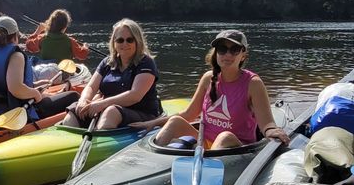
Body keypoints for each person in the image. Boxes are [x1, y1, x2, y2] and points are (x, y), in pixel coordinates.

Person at [130, 29, 289, 148]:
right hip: (204, 144)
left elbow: (267, 124)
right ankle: (154, 165)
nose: (227, 55)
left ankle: (207, 172)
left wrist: (272, 131)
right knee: (175, 121)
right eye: (222, 49)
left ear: (243, 55)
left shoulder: (253, 83)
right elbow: (188, 114)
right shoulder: (208, 78)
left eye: (234, 50)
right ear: (216, 53)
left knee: (224, 137)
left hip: (236, 148)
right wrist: (152, 123)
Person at [61, 18, 161, 129]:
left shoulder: (146, 62)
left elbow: (135, 96)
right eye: (120, 40)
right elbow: (91, 86)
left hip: (141, 113)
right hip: (106, 109)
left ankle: (99, 142)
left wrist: (102, 104)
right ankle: (67, 140)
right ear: (114, 43)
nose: (125, 43)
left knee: (111, 111)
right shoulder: (107, 62)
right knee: (76, 110)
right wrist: (83, 100)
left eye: (130, 40)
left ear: (138, 41)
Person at [0, 16, 79, 119]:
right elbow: (16, 88)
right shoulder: (15, 55)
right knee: (74, 96)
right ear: (15, 36)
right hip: (19, 111)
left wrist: (34, 85)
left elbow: (2, 84)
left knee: (47, 94)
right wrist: (36, 94)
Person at [25, 9, 90, 62]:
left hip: (45, 72)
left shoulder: (41, 38)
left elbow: (28, 45)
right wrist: (85, 47)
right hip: (63, 74)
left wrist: (38, 30)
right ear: (65, 26)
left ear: (50, 24)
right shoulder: (70, 41)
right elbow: (82, 55)